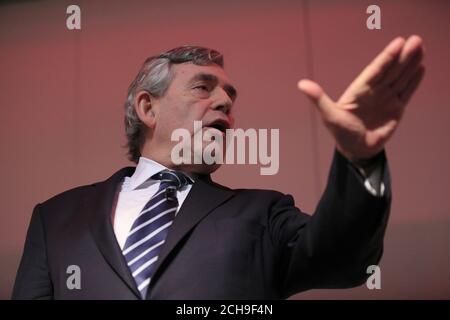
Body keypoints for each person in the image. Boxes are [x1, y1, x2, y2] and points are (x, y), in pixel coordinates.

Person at [12, 35, 425, 299]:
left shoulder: (263, 214)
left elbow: (343, 258)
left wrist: (358, 158)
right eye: (203, 88)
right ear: (147, 107)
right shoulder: (56, 218)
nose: (226, 102)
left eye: (230, 94)